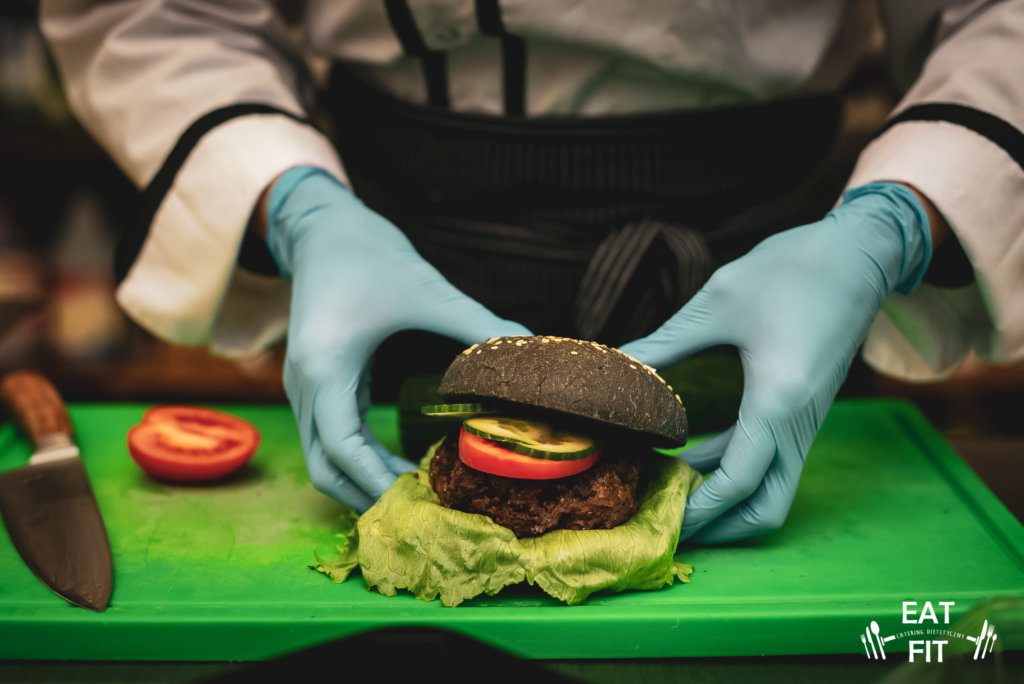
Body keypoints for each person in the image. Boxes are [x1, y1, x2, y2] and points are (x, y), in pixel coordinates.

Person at [41, 1, 1023, 543]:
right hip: (410, 251)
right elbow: (150, 15)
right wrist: (294, 204)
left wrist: (896, 221)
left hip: (772, 264)